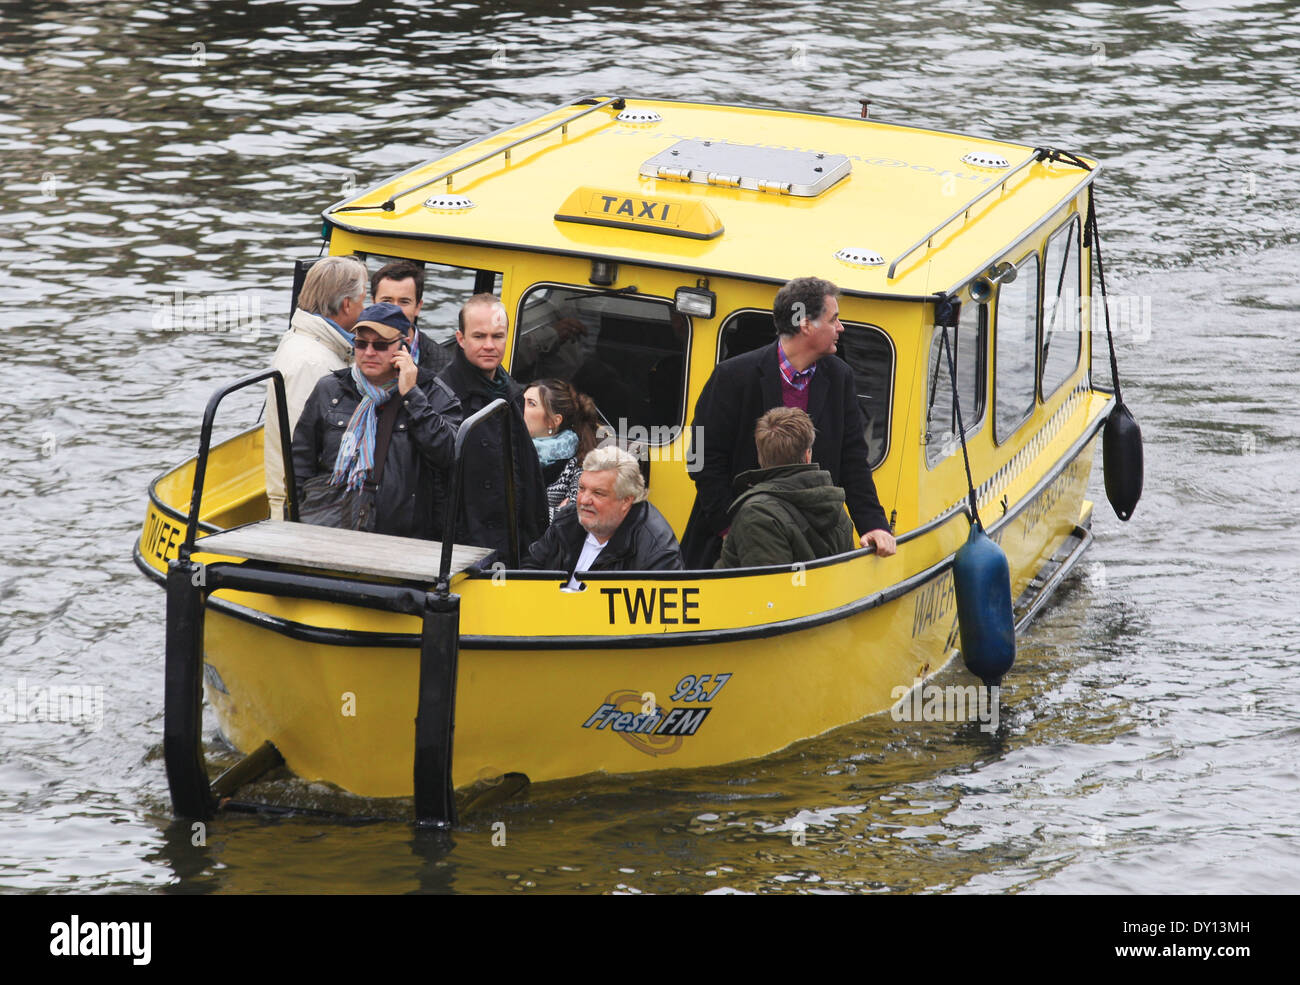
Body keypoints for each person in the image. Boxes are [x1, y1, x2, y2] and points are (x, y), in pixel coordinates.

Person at [680, 275, 897, 567]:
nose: (840, 328)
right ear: (805, 324)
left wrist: (874, 524)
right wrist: (732, 528)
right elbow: (702, 459)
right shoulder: (733, 377)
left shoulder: (840, 376)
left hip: (814, 547)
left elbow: (853, 460)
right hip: (728, 547)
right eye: (834, 319)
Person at [290, 303, 460, 539]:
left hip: (404, 537)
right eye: (361, 344)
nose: (369, 352)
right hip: (332, 529)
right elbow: (299, 462)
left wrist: (412, 395)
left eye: (380, 345)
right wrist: (298, 520)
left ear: (404, 348)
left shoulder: (433, 394)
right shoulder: (329, 389)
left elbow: (448, 454)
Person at [435, 293, 548, 559]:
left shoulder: (511, 392)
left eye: (497, 337)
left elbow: (523, 473)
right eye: (479, 336)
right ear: (460, 339)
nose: (489, 345)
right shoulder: (442, 395)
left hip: (510, 540)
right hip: (464, 546)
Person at [265, 255, 367, 520]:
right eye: (363, 299)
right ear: (347, 305)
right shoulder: (313, 363)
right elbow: (301, 448)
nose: (366, 307)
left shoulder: (304, 342)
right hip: (309, 511)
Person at [716, 407, 855, 569]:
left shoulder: (757, 513)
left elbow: (770, 587)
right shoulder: (834, 503)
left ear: (760, 455)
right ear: (808, 454)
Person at [521, 446, 683, 581]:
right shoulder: (567, 519)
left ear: (626, 500)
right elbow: (529, 570)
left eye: (598, 493)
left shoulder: (656, 551)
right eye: (582, 488)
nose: (584, 500)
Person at [523, 378, 601, 523]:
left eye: (531, 403)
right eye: (522, 401)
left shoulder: (578, 465)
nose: (521, 407)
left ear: (554, 420)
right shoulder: (509, 448)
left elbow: (575, 520)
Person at [370, 259, 453, 375]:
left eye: (404, 302)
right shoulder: (356, 349)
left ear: (418, 307)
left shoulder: (444, 365)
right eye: (387, 301)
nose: (395, 310)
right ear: (373, 302)